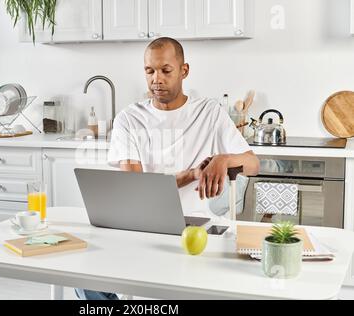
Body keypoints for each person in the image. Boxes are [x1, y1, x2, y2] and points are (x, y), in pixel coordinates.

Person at [75, 37, 259, 300]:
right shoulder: (130, 118)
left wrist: (223, 159)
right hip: (142, 225)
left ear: (184, 71)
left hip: (196, 226)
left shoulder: (209, 112)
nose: (156, 79)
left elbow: (253, 164)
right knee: (83, 276)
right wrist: (191, 174)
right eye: (149, 71)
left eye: (165, 70)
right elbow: (136, 190)